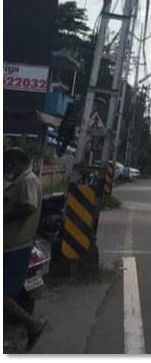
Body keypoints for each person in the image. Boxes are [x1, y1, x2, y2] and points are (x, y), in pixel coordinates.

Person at [4, 147, 47, 350]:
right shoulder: (22, 179)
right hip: (15, 244)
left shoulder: (27, 180)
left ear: (15, 162)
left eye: (8, 162)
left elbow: (28, 206)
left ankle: (33, 324)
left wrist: (4, 215)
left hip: (15, 245)